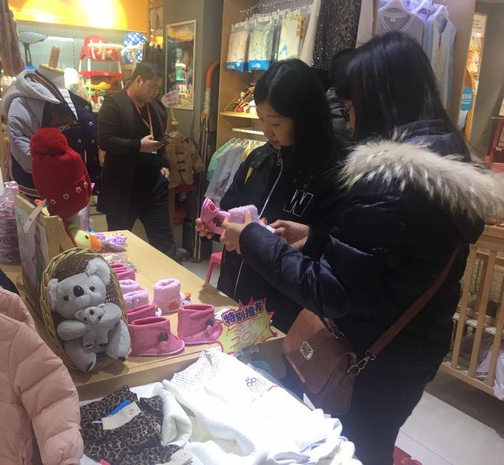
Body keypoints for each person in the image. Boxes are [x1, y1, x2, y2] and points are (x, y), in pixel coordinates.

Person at [219, 32, 504, 465]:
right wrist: (316, 237)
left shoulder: (391, 181)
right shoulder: (442, 167)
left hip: (374, 354)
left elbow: (330, 290)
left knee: (353, 449)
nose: (350, 123)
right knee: (369, 441)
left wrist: (251, 238)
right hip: (410, 345)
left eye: (351, 109)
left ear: (378, 101)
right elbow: (394, 257)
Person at [196, 59, 344, 331]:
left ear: (304, 117)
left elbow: (333, 261)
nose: (266, 130)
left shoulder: (333, 173)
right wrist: (215, 226)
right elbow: (229, 210)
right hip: (234, 298)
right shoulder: (258, 159)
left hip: (283, 316)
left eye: (274, 122)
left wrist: (309, 238)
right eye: (261, 118)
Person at [97, 61, 176, 259]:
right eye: (152, 87)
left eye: (158, 88)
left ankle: (172, 278)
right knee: (116, 246)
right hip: (122, 187)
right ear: (138, 80)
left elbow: (160, 141)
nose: (155, 92)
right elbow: (105, 140)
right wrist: (138, 145)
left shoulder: (156, 107)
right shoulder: (114, 104)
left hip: (153, 186)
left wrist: (164, 164)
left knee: (165, 245)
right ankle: (116, 277)